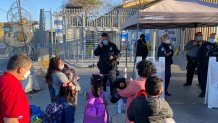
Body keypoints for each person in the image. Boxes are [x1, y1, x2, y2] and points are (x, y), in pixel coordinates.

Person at [0, 54, 32, 123]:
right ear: (21, 69)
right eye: (28, 69)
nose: (29, 72)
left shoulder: (4, 79)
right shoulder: (12, 85)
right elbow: (11, 119)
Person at [197, 33, 218, 97]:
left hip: (214, 65)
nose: (212, 38)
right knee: (203, 78)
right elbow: (199, 54)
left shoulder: (216, 46)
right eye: (211, 37)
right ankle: (203, 92)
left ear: (215, 38)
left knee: (213, 80)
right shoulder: (204, 45)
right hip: (204, 64)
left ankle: (212, 92)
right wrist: (199, 62)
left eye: (213, 37)